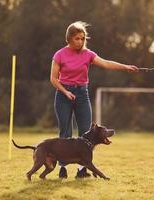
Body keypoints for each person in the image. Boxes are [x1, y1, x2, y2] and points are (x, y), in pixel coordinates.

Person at [50, 21, 139, 179]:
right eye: (77, 38)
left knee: (87, 132)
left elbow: (105, 63)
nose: (81, 41)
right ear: (69, 38)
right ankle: (62, 167)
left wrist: (125, 67)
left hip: (82, 94)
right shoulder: (60, 54)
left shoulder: (88, 54)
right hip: (63, 94)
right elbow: (53, 79)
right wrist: (65, 91)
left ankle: (81, 170)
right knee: (65, 131)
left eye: (83, 38)